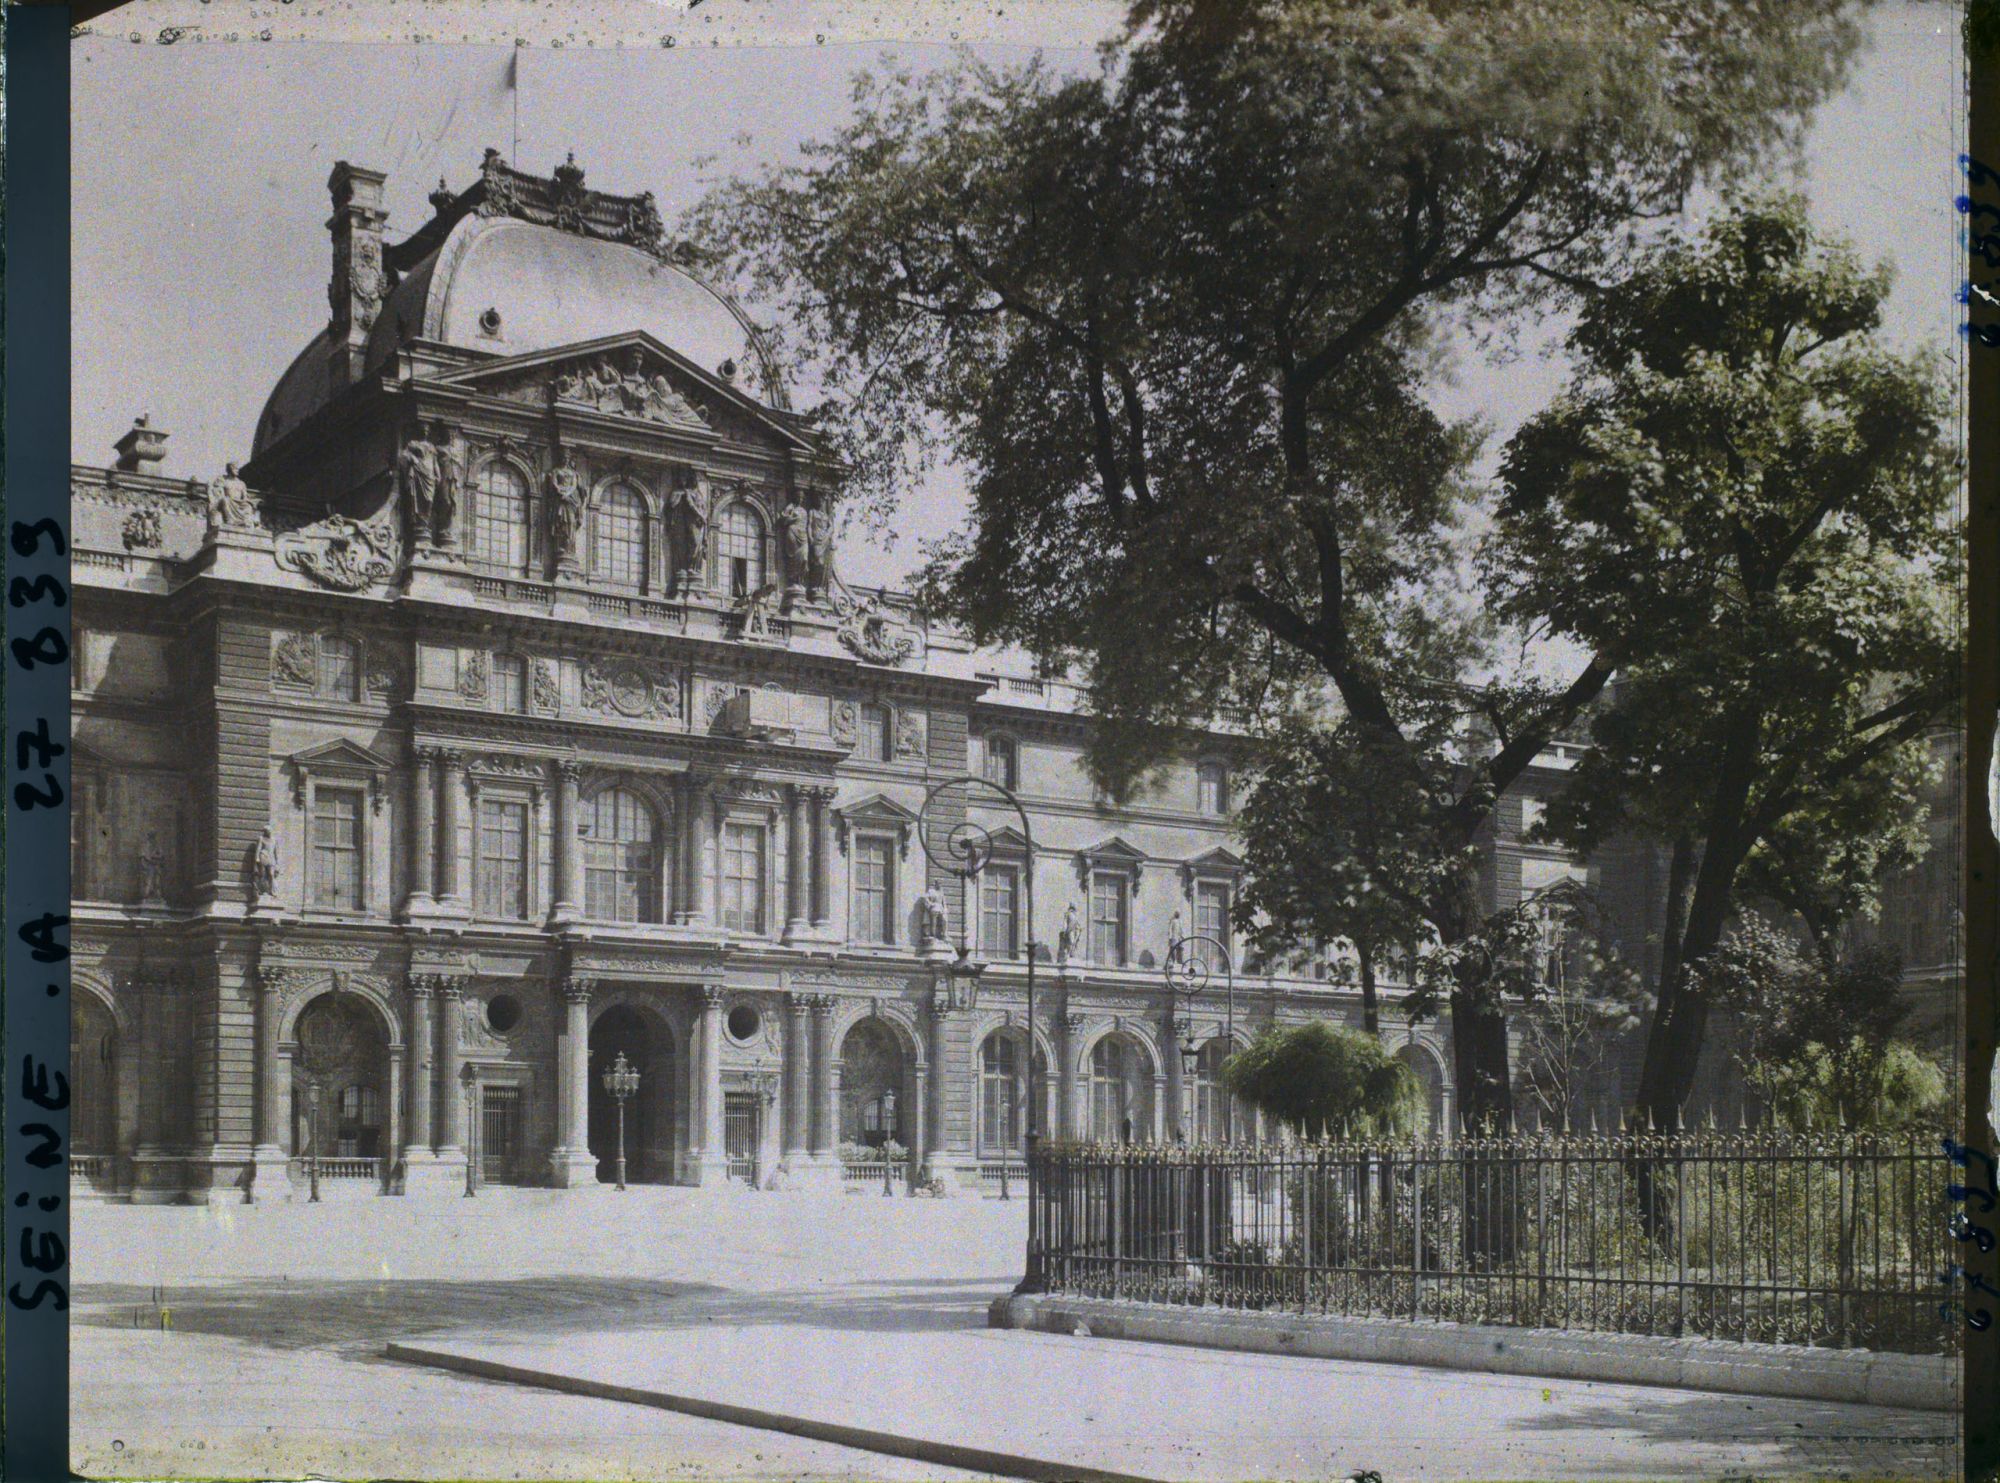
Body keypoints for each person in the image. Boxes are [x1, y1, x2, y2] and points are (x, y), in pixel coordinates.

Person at [206, 462, 259, 530]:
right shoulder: (224, 481)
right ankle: (230, 520)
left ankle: (245, 522)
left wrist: (248, 501)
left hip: (239, 502)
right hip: (229, 501)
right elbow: (218, 493)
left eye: (237, 469)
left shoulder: (241, 483)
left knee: (248, 506)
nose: (237, 470)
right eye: (235, 469)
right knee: (225, 500)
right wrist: (210, 490)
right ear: (229, 470)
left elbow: (245, 496)